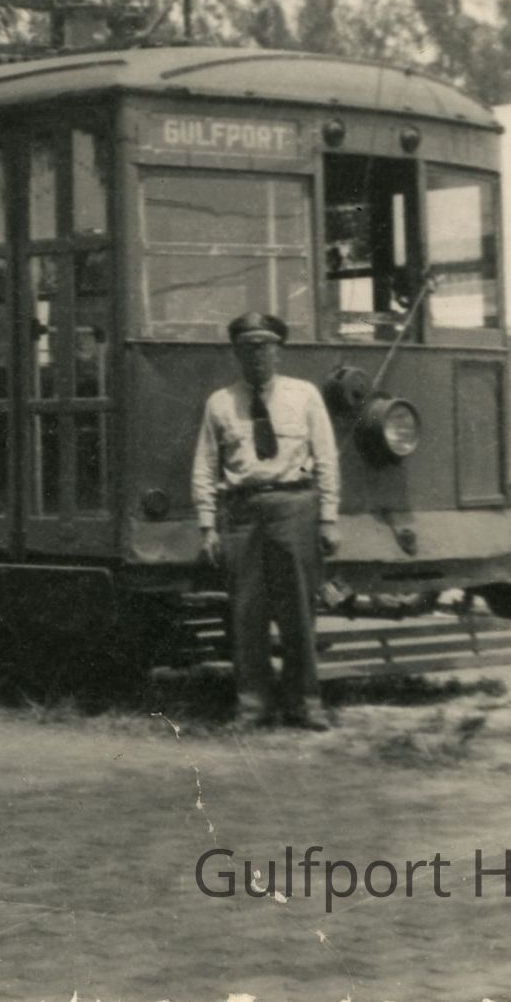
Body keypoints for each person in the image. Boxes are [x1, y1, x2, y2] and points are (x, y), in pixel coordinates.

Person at [191, 311, 343, 730]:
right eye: (247, 349)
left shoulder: (304, 395)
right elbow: (205, 465)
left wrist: (328, 518)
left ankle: (305, 703)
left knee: (298, 611)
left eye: (265, 347)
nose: (257, 356)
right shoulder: (220, 403)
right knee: (246, 612)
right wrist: (207, 525)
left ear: (278, 351)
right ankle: (252, 706)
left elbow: (326, 459)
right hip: (241, 513)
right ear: (237, 354)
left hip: (294, 507)